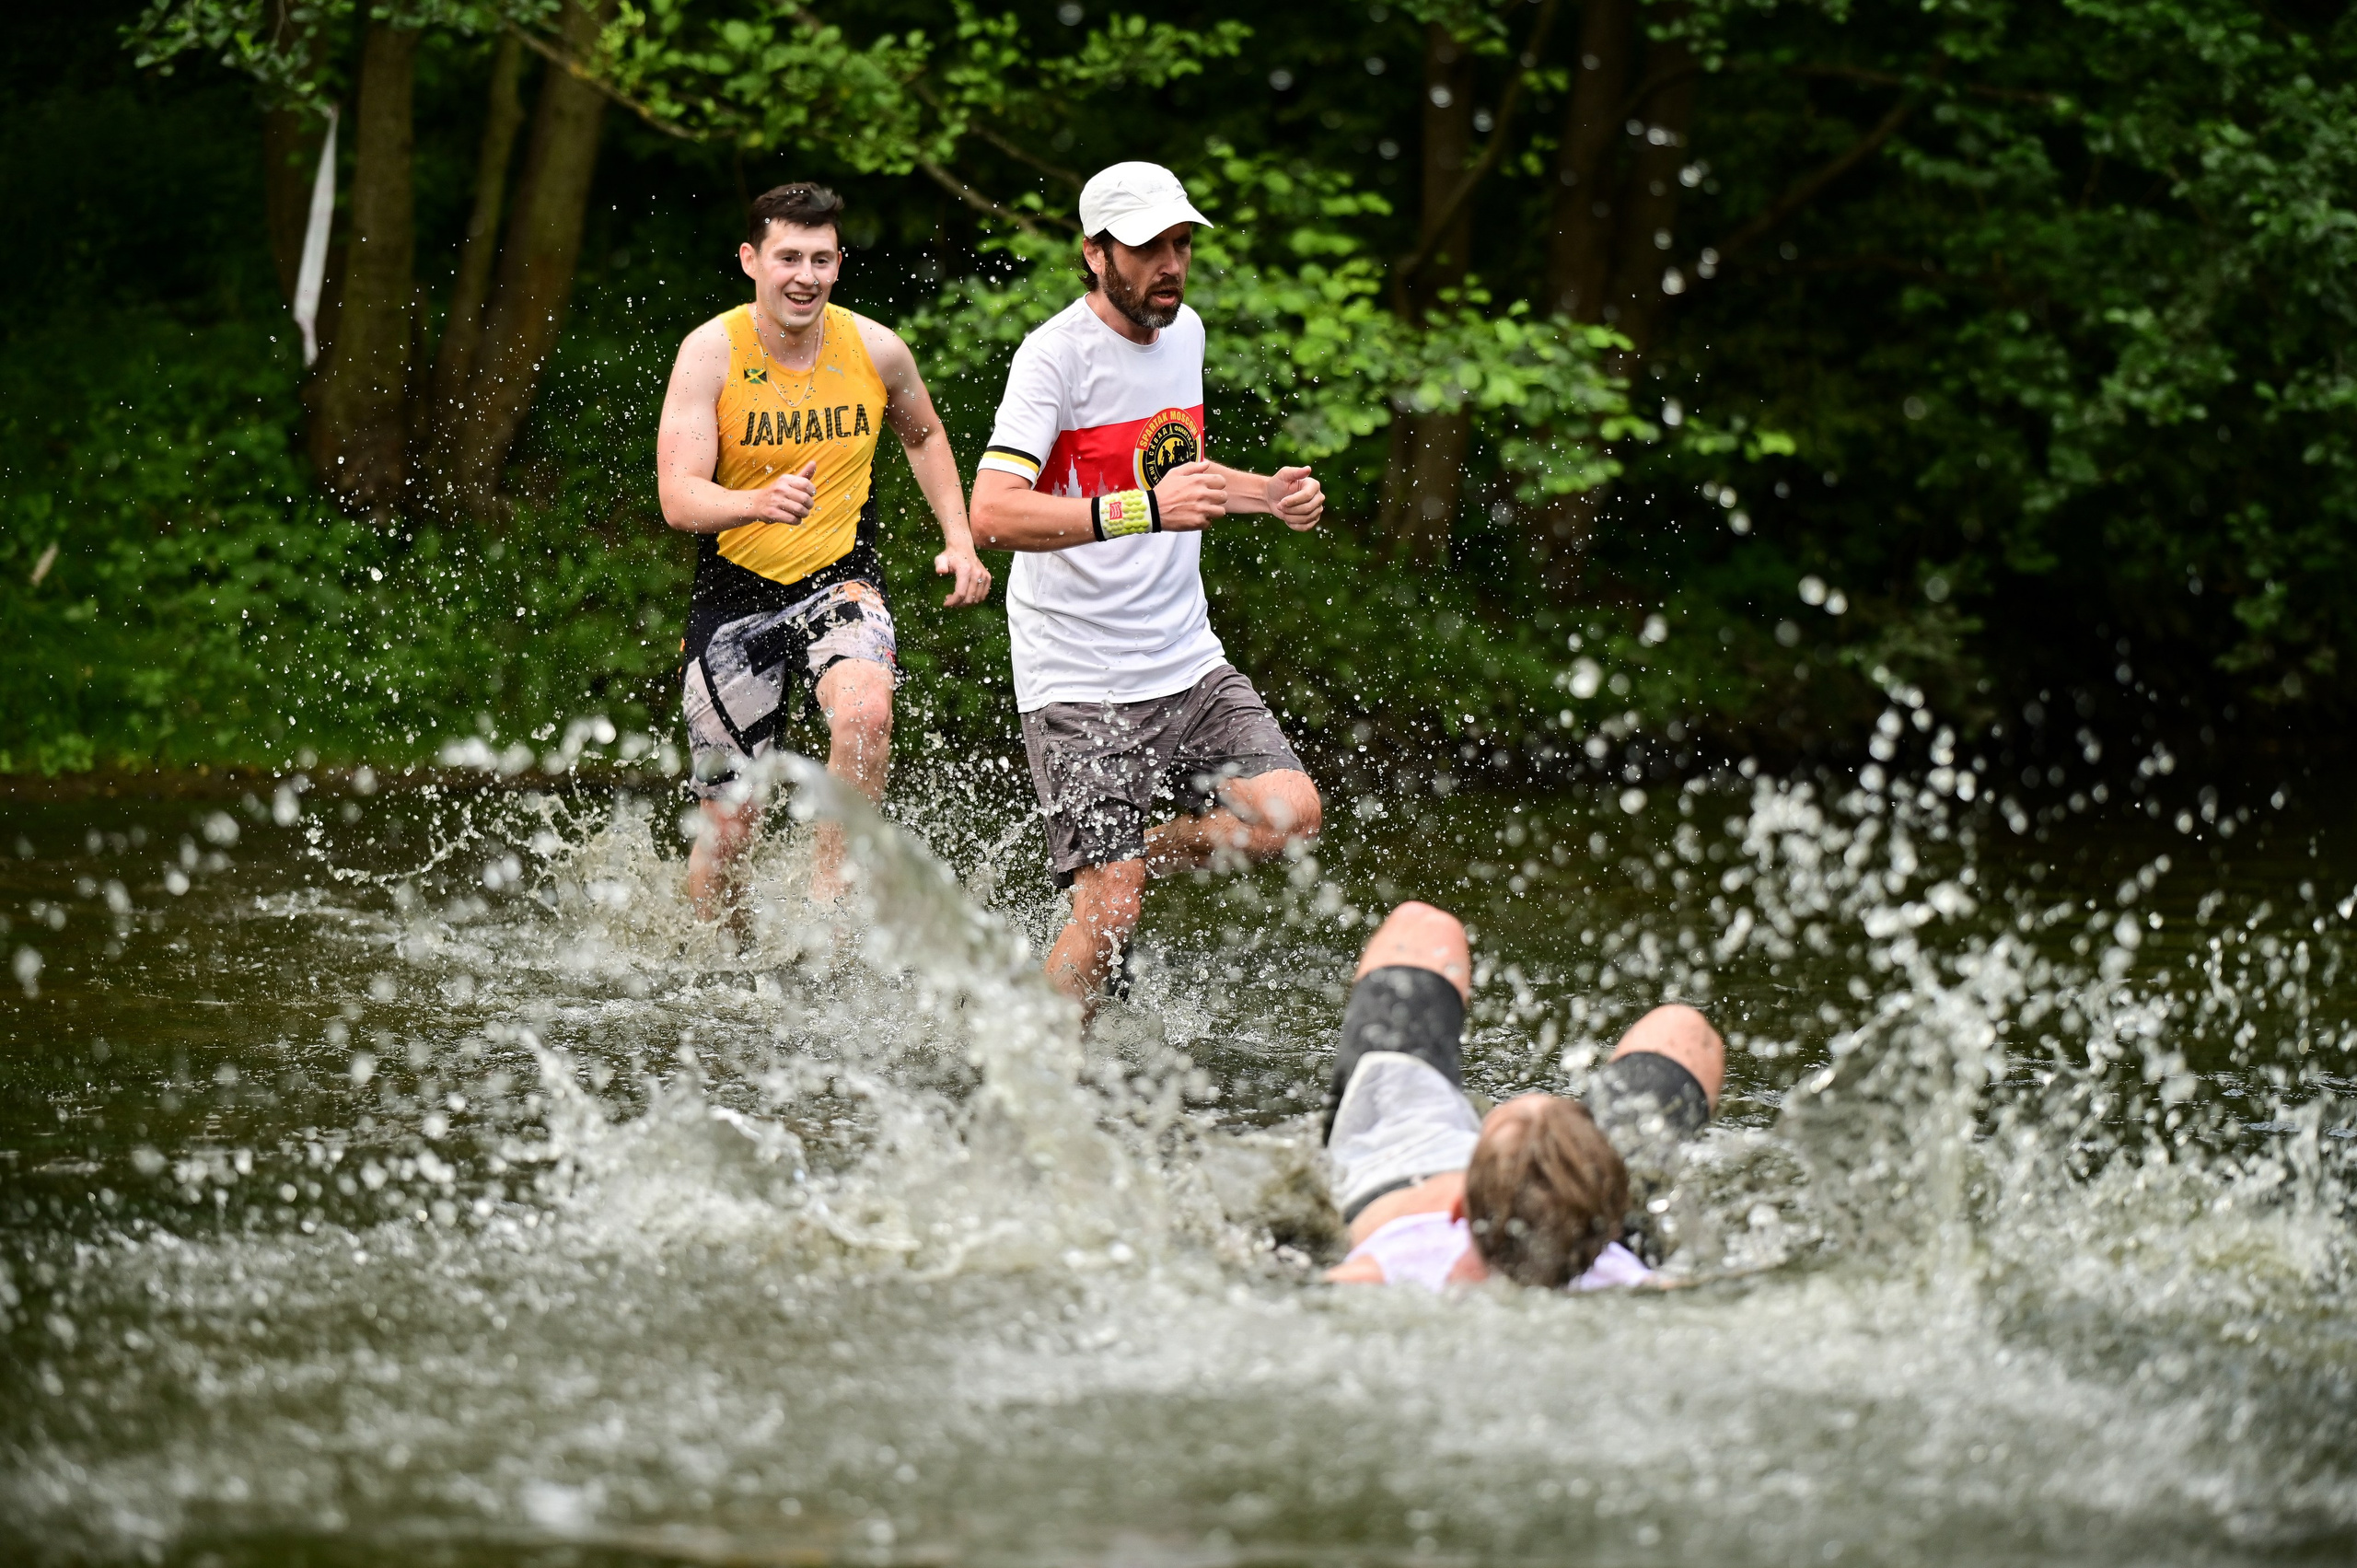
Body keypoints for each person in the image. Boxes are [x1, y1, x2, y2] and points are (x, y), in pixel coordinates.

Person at [968, 161, 1326, 1015]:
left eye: (1180, 243)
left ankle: (1132, 852)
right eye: (1147, 248)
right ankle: (1038, 1076)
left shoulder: (1188, 334)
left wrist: (1265, 495)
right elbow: (992, 512)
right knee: (1111, 907)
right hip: (1078, 674)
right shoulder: (1052, 358)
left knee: (1289, 814)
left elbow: (1178, 473)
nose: (1171, 264)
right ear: (1094, 254)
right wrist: (1140, 511)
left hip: (1183, 656)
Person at [656, 182, 992, 917]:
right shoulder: (710, 352)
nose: (805, 275)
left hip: (840, 582)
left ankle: (829, 897)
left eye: (821, 258)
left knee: (867, 712)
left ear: (839, 264)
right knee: (727, 832)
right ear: (751, 260)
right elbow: (679, 497)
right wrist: (753, 502)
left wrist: (960, 541)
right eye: (788, 258)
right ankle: (705, 975)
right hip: (734, 599)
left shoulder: (876, 349)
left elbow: (925, 434)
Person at [1321, 900, 1725, 1291]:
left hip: (1400, 1170)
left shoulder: (1383, 1270)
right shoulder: (1626, 1278)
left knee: (1425, 926)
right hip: (1575, 1242)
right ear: (1614, 1223)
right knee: (1682, 1028)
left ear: (1458, 1207)